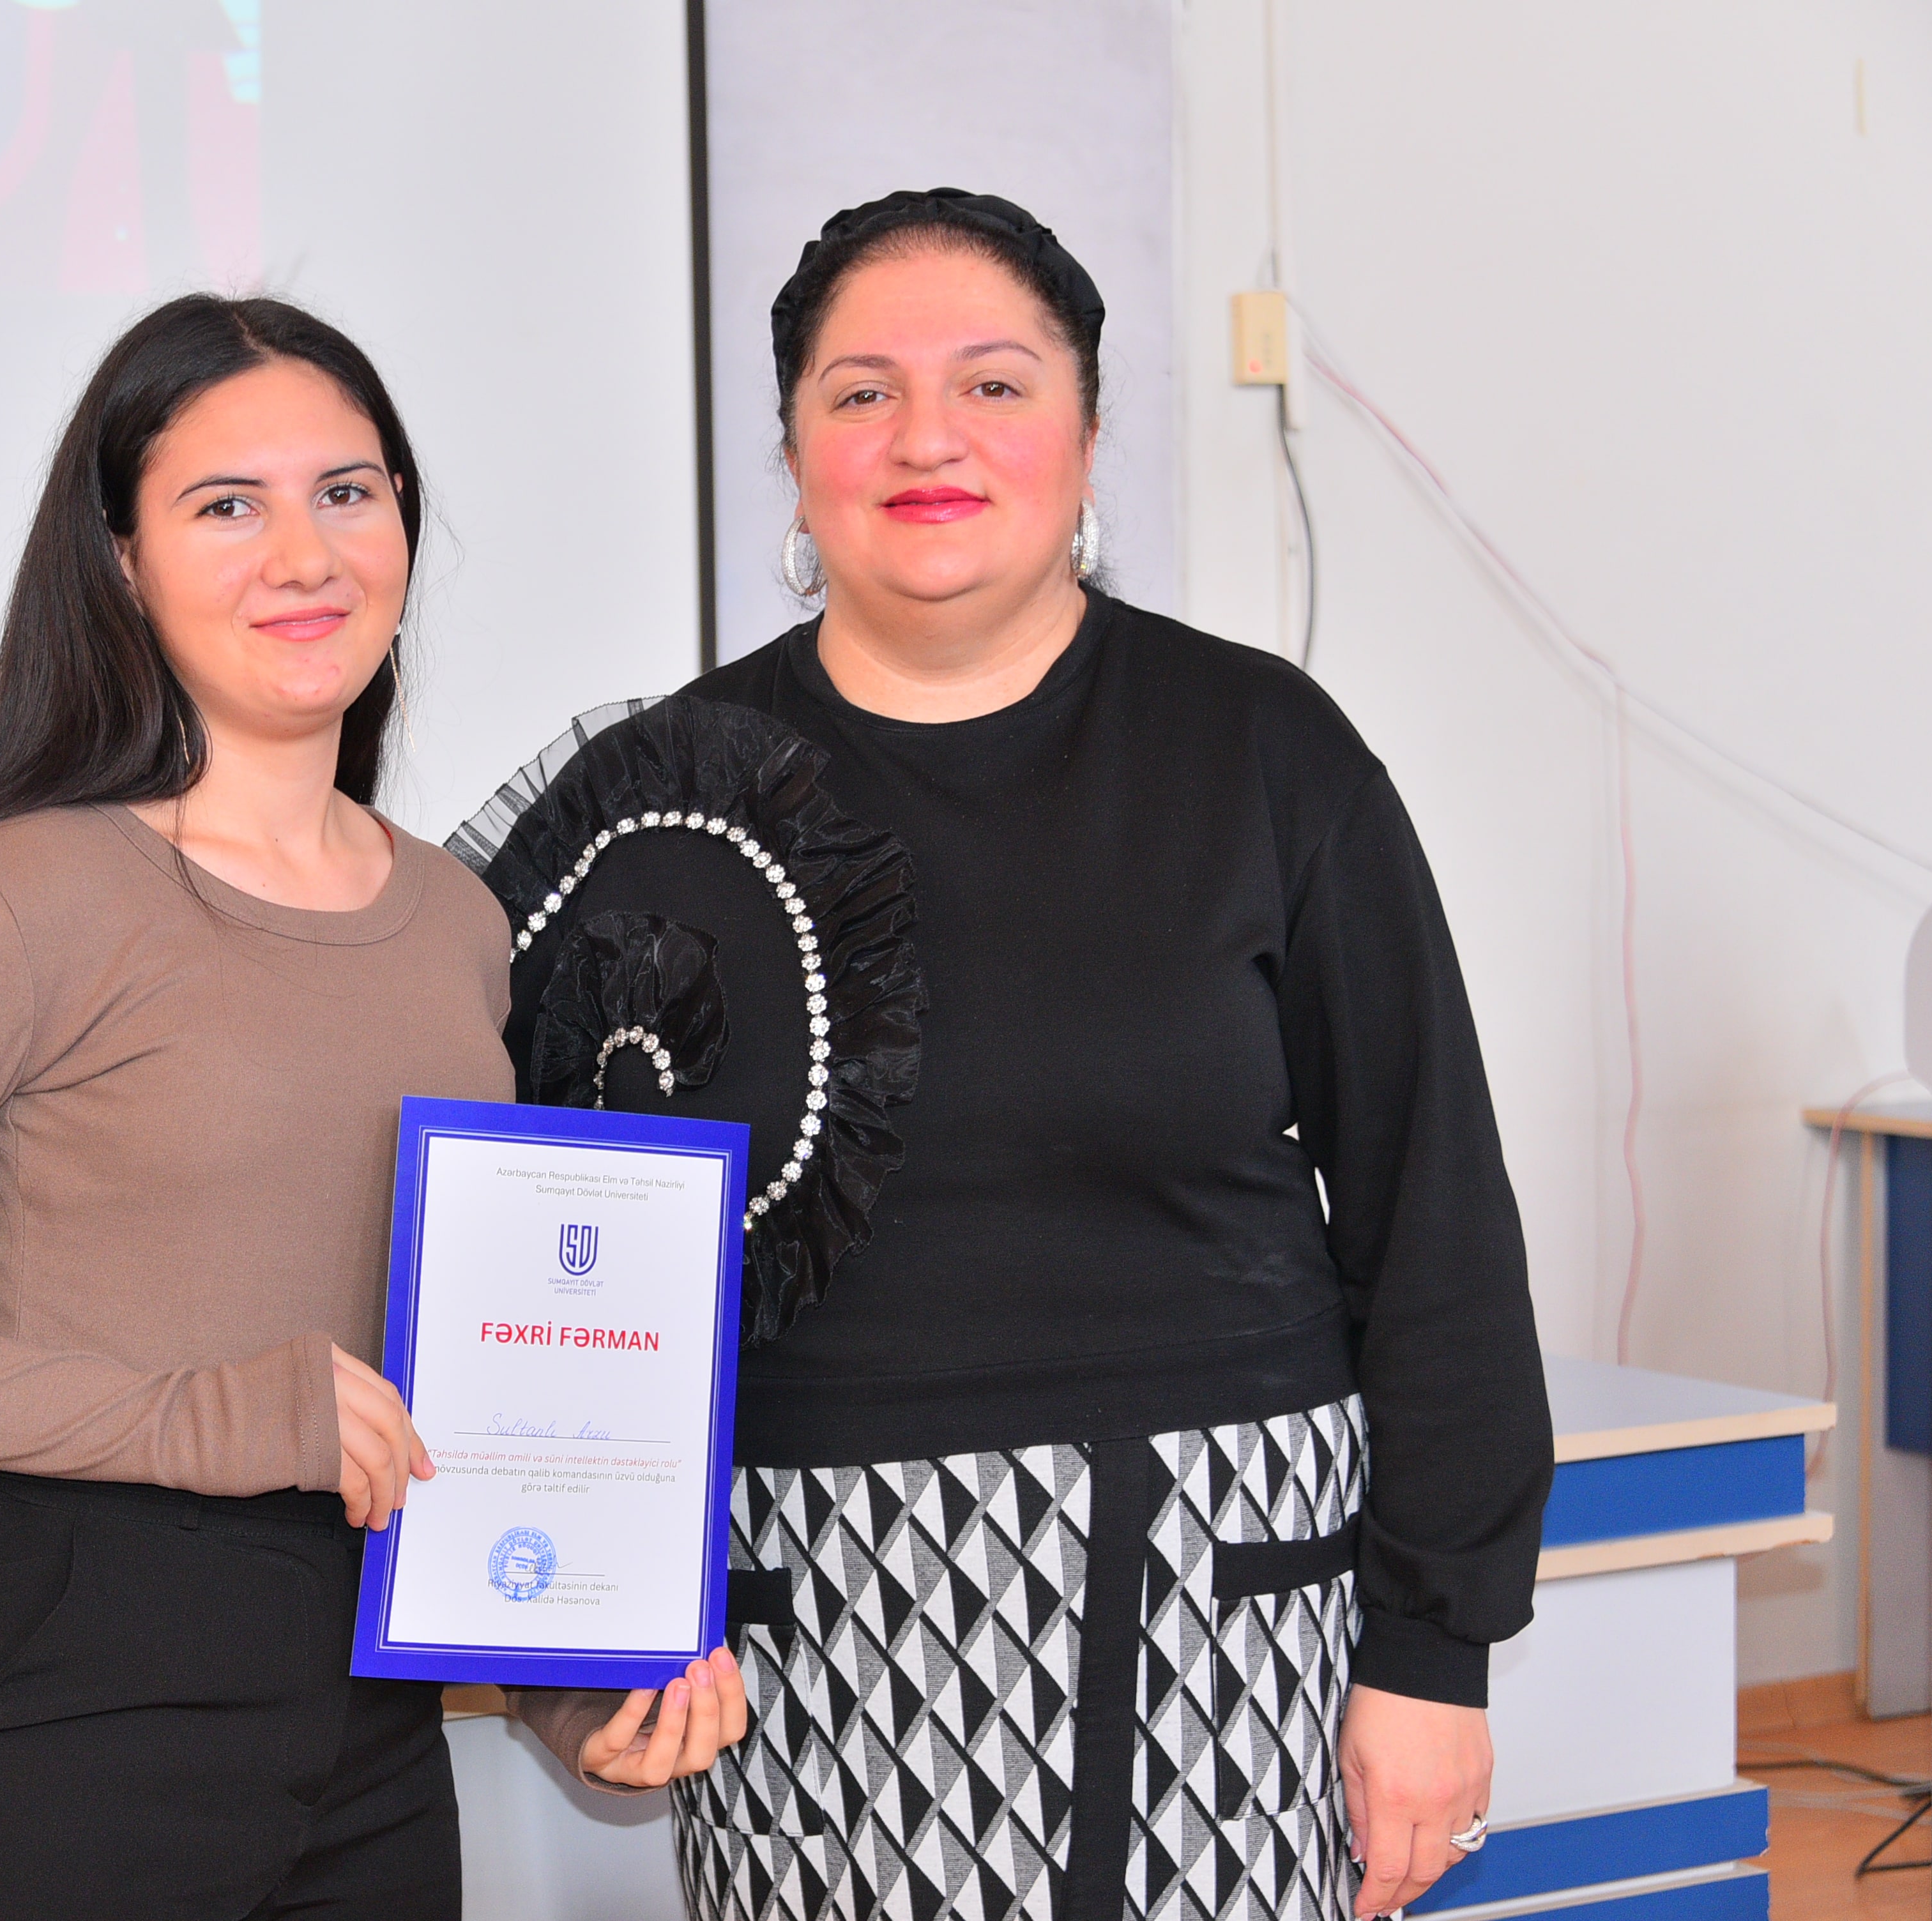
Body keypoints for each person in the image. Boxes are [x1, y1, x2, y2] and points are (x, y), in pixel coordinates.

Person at [462, 191, 1553, 1921]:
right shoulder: (661, 804)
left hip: (1223, 1629)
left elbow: (1438, 1221)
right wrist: (567, 1650)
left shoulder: (1267, 751)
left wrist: (1435, 1654)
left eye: (993, 384)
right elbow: (513, 1267)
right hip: (813, 1664)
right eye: (862, 393)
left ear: (1089, 434)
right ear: (793, 455)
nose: (927, 439)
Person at [0, 292, 740, 1921]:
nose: (304, 555)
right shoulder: (25, 896)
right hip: (61, 1731)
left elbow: (450, 1387)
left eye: (347, 492)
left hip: (371, 1755)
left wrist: (571, 1683)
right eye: (226, 506)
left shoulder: (457, 920)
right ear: (123, 566)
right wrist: (203, 1419)